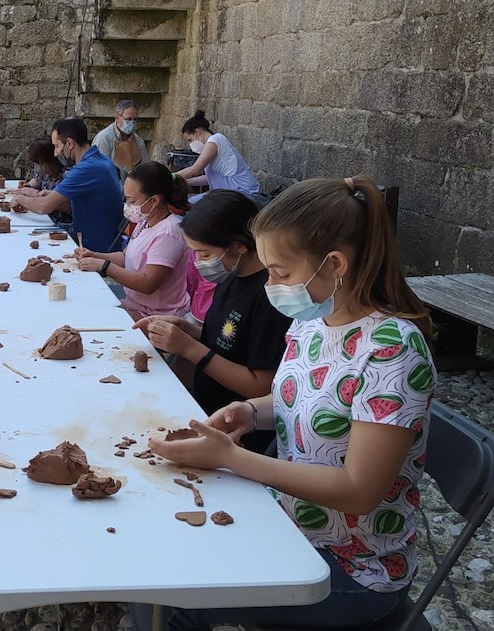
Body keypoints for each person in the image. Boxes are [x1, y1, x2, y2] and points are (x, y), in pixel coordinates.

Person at [136, 176, 437, 630]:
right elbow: (297, 393)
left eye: (281, 272)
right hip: (289, 520)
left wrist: (233, 459)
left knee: (176, 598)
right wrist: (251, 411)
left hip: (352, 565)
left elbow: (359, 490)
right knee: (158, 550)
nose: (271, 283)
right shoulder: (314, 321)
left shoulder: (392, 351)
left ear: (334, 264)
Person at [133, 189, 291, 452]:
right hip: (208, 410)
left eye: (204, 254)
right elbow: (229, 340)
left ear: (239, 246)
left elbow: (261, 385)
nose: (197, 262)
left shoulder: (269, 298)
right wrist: (189, 330)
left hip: (239, 434)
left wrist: (189, 349)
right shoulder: (231, 275)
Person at [75, 162, 189, 320]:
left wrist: (104, 266)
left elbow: (147, 284)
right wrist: (95, 255)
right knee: (85, 306)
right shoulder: (146, 221)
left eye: (132, 201)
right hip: (136, 306)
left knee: (91, 318)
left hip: (157, 316)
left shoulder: (168, 233)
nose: (128, 206)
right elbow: (125, 257)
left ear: (154, 200)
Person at [10, 117, 124, 253]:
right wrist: (53, 195)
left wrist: (19, 199)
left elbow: (43, 207)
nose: (55, 153)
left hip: (94, 246)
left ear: (69, 143)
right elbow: (84, 202)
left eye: (57, 146)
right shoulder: (102, 160)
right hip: (103, 238)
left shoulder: (85, 169)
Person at [174, 110, 261, 203]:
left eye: (190, 140)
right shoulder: (209, 146)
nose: (190, 144)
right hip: (226, 194)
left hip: (243, 194)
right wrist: (186, 182)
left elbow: (194, 171)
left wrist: (169, 177)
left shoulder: (215, 140)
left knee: (193, 208)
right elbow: (211, 178)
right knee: (190, 203)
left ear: (197, 132)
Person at [15, 136, 72, 225]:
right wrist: (28, 185)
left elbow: (63, 205)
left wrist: (32, 194)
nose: (36, 167)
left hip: (61, 224)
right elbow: (38, 179)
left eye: (37, 163)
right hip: (45, 219)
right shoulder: (47, 172)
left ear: (49, 160)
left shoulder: (67, 176)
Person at [91, 99, 149, 179]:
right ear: (117, 117)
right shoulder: (104, 138)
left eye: (135, 119)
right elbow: (99, 170)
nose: (132, 123)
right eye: (128, 119)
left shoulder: (139, 142)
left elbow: (146, 169)